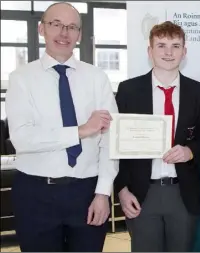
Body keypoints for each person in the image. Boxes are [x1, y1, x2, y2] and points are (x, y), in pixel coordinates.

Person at [5, 2, 118, 252]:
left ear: (79, 34)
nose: (63, 33)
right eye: (56, 24)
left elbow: (111, 141)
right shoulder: (21, 78)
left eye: (71, 27)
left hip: (86, 192)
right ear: (41, 29)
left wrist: (103, 194)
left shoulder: (97, 78)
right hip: (35, 193)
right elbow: (22, 139)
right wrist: (80, 131)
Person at [114, 21, 200, 252]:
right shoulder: (128, 90)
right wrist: (121, 190)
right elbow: (114, 144)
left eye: (175, 46)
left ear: (184, 52)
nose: (169, 52)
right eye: (161, 45)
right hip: (140, 193)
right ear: (150, 51)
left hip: (183, 192)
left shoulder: (199, 92)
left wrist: (190, 152)